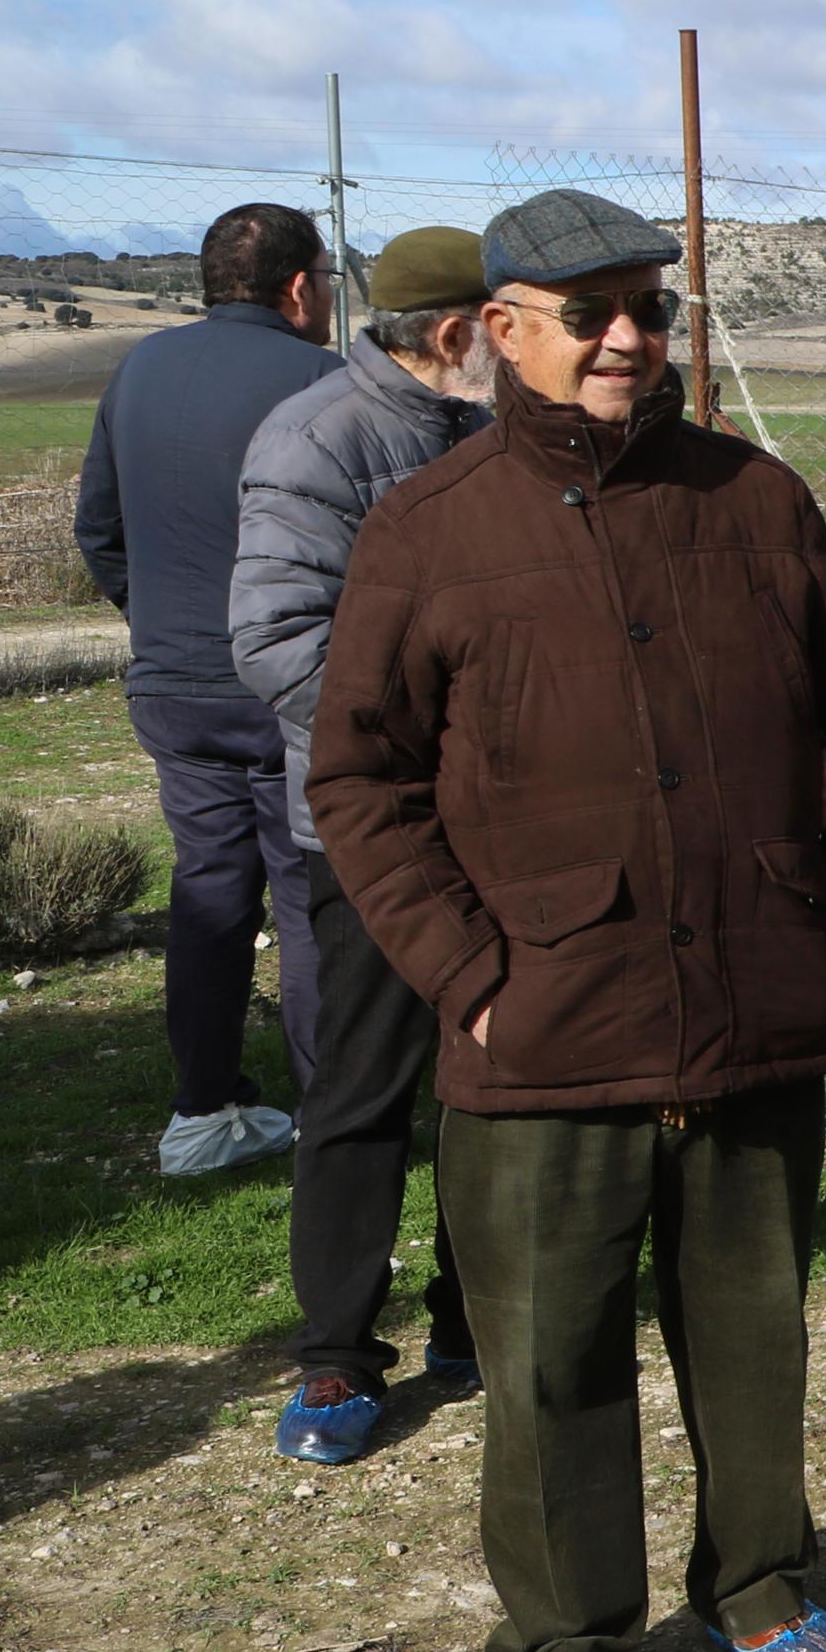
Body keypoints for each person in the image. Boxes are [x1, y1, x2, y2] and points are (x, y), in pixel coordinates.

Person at [309, 188, 826, 1652]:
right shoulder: (429, 533)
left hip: (750, 1020)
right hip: (542, 1035)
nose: (632, 334)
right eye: (591, 309)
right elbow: (358, 781)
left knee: (754, 1342)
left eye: (650, 302)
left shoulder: (756, 502)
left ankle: (765, 1586)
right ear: (495, 329)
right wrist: (469, 975)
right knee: (550, 1365)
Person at [229, 225, 494, 1462]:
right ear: (455, 334)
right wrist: (445, 745)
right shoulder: (319, 440)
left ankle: (472, 1315)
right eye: (501, 326)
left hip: (505, 826)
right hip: (371, 833)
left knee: (495, 1081)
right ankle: (336, 1352)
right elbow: (278, 640)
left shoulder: (499, 432)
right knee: (364, 1089)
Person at [74, 201, 343, 1175]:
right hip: (289, 683)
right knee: (307, 892)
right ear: (300, 286)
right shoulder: (326, 382)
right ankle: (331, 1114)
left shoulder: (139, 368)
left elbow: (98, 526)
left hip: (173, 685)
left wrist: (157, 624)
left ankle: (201, 1111)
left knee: (208, 890)